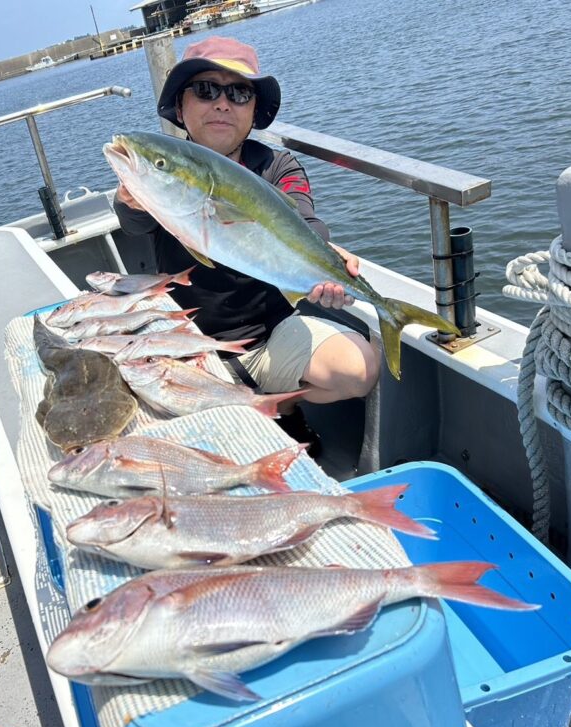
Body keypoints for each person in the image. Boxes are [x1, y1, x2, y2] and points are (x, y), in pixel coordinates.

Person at [112, 36, 379, 456]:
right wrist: (133, 192)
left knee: (358, 368)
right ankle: (257, 411)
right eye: (205, 90)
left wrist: (325, 255)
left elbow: (306, 221)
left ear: (254, 111)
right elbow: (133, 219)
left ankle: (280, 406)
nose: (221, 103)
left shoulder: (278, 167)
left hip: (269, 333)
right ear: (180, 108)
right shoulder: (158, 174)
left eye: (238, 93)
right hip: (184, 340)